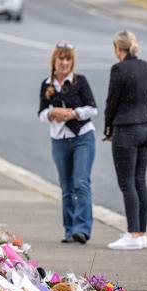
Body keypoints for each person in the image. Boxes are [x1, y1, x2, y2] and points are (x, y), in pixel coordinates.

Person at [38, 42, 98, 244]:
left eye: (68, 59)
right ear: (54, 61)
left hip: (82, 136)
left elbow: (92, 108)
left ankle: (82, 229)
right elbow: (41, 113)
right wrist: (52, 113)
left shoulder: (80, 81)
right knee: (66, 187)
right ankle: (69, 229)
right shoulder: (47, 85)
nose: (64, 63)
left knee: (81, 182)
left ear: (72, 63)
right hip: (59, 139)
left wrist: (73, 113)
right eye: (61, 58)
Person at [103, 30, 147, 251]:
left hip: (126, 128)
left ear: (118, 48)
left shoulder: (119, 69)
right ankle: (141, 233)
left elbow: (112, 101)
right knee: (140, 180)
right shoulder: (146, 67)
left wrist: (107, 127)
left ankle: (132, 233)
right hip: (146, 126)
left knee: (127, 182)